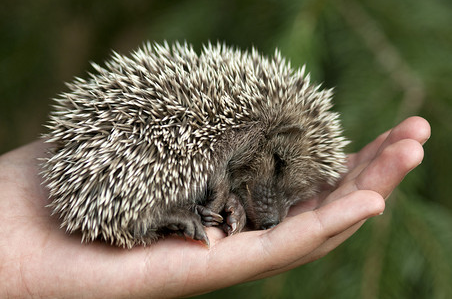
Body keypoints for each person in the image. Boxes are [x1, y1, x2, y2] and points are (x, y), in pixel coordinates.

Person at [0, 116, 430, 298]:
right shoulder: (249, 130)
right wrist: (223, 193)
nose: (275, 211)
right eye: (277, 175)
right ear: (275, 135)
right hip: (133, 159)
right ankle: (148, 217)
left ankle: (151, 219)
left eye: (288, 197)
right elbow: (227, 160)